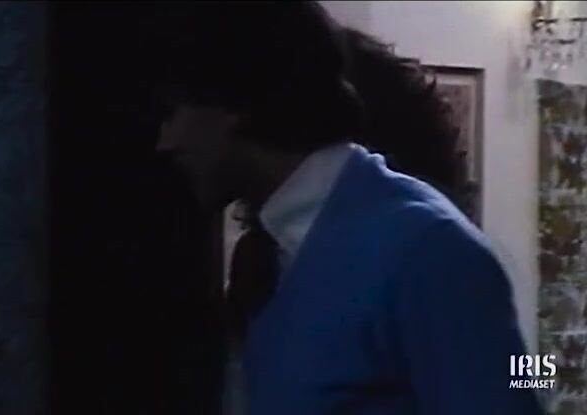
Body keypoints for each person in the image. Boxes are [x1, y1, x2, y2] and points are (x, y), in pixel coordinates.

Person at [155, 2, 544, 415]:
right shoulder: (264, 259)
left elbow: (520, 382)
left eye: (172, 111)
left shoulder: (430, 251)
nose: (164, 141)